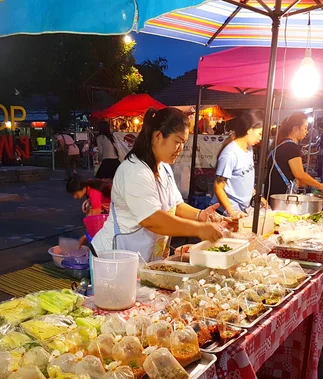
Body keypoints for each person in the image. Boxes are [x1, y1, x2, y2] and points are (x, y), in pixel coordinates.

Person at [91, 107, 224, 262]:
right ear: (158, 136)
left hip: (141, 257)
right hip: (113, 259)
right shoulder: (135, 170)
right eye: (177, 142)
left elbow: (176, 205)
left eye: (184, 143)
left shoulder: (164, 167)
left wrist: (200, 215)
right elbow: (152, 219)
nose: (181, 149)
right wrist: (199, 229)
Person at [211, 110, 263, 218]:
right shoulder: (230, 154)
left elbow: (244, 178)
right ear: (249, 130)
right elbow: (218, 187)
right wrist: (231, 211)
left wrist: (256, 195)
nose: (260, 138)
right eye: (259, 133)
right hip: (225, 213)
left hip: (242, 211)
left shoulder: (249, 149)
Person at [268, 112, 323, 196]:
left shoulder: (281, 145)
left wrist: (310, 183)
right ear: (295, 129)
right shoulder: (291, 147)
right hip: (282, 197)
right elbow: (300, 174)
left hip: (274, 195)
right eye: (305, 128)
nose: (306, 131)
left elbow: (292, 176)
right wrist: (321, 186)